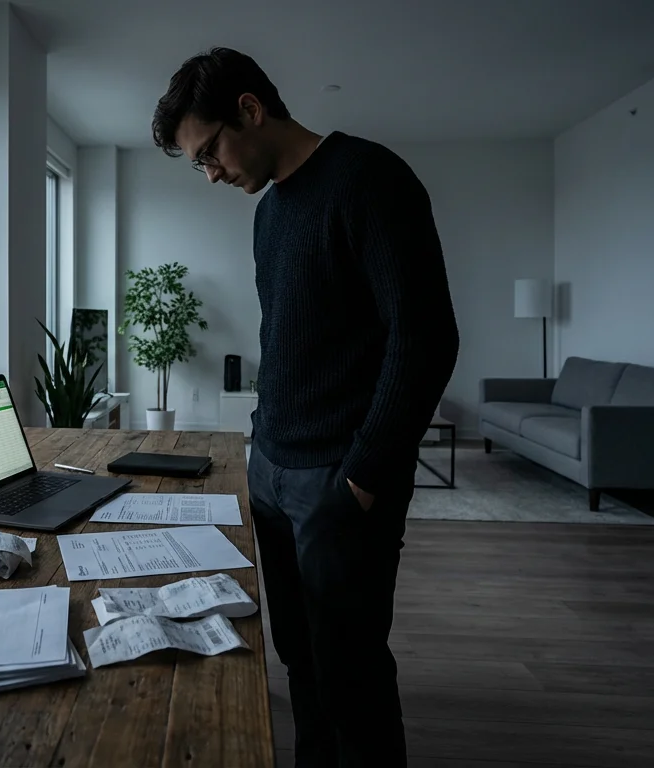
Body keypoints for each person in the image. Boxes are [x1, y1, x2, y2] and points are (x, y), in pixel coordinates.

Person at [152, 47, 459, 767]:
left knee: (351, 676)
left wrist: (363, 476)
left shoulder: (370, 180)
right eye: (198, 164)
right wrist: (260, 447)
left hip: (338, 481)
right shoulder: (268, 215)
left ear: (252, 110)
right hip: (273, 474)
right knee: (299, 665)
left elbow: (425, 339)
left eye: (211, 151)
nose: (212, 173)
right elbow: (288, 342)